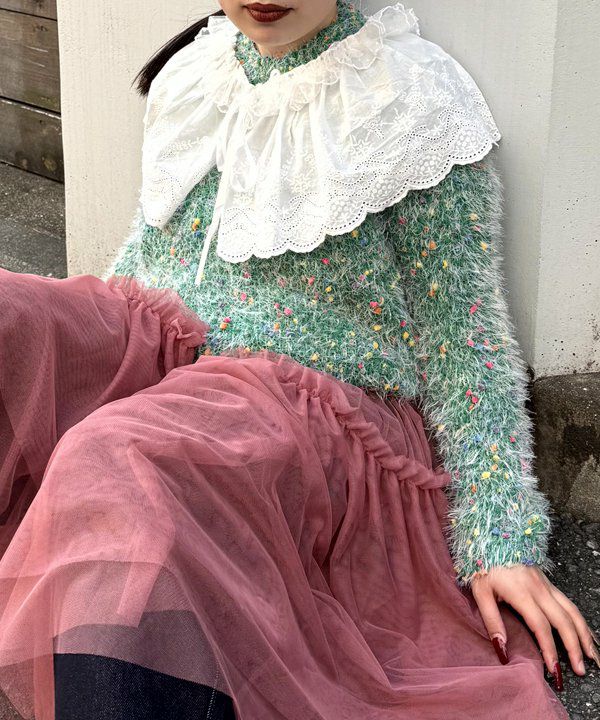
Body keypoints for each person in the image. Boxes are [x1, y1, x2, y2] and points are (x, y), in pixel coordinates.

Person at [0, 1, 596, 718]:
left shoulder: (410, 96)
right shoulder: (194, 69)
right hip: (168, 341)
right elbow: (150, 251)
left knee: (110, 455)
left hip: (311, 403)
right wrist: (80, 349)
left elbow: (465, 335)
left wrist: (502, 539)